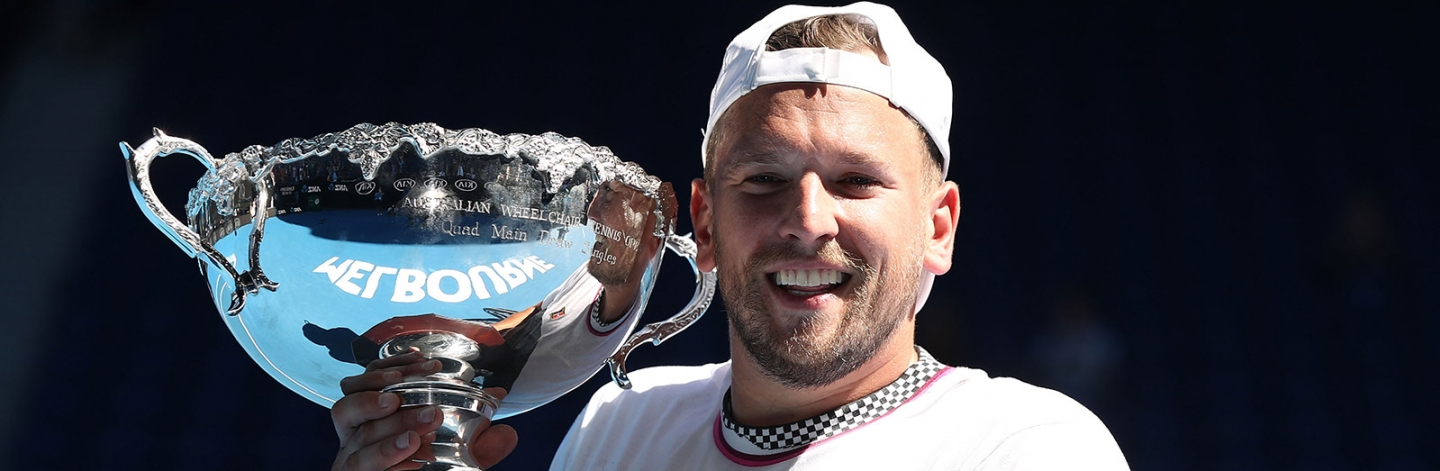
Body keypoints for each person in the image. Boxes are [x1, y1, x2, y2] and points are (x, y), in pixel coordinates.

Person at [331, 3, 1130, 470]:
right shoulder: (620, 426)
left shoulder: (1026, 446)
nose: (808, 218)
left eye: (856, 180)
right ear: (706, 224)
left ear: (937, 226)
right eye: (764, 179)